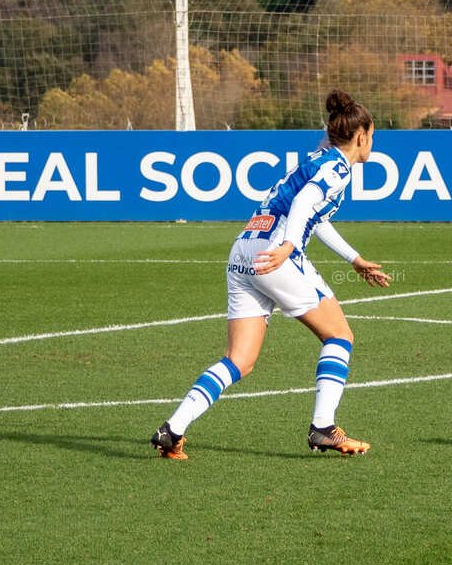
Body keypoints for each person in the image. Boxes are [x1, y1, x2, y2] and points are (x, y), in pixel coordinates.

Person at [150, 90, 392, 459]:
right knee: (340, 335)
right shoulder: (338, 168)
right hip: (273, 254)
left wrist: (353, 258)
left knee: (238, 361)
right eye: (372, 136)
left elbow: (315, 215)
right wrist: (289, 246)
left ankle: (173, 430)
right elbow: (302, 203)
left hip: (244, 249)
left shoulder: (319, 158)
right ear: (361, 137)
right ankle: (323, 427)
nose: (372, 143)